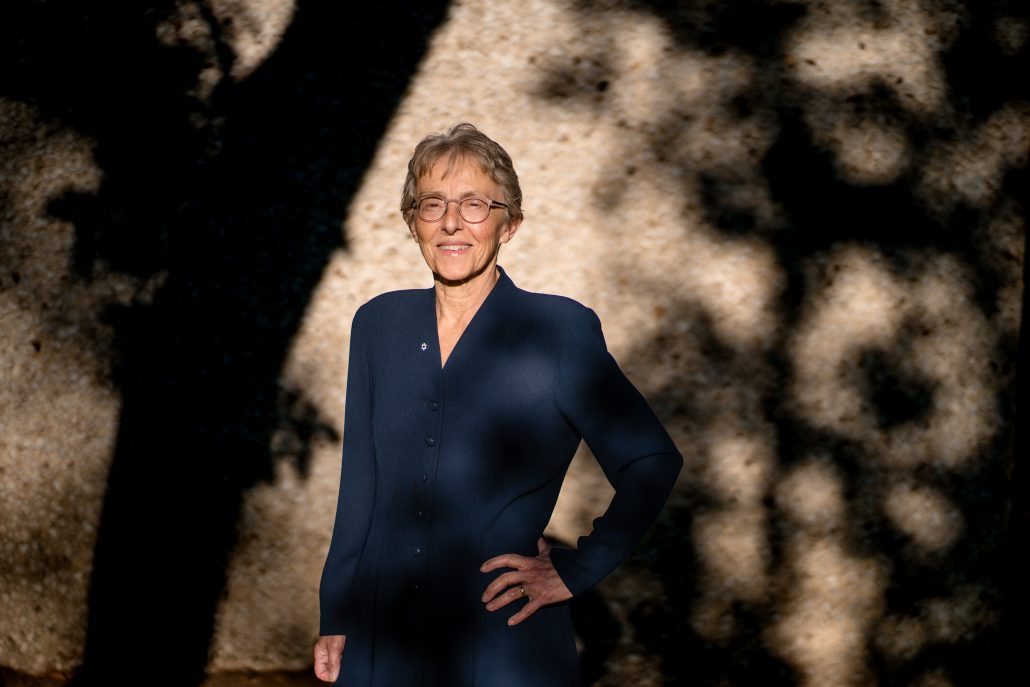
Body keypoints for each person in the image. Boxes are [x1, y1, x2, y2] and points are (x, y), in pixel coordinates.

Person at [314, 123, 682, 686]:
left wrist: (576, 569)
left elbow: (651, 461)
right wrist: (336, 613)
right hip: (381, 636)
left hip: (502, 643)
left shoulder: (558, 331)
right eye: (432, 204)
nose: (452, 222)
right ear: (413, 222)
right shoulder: (378, 325)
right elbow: (359, 483)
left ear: (509, 224)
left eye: (475, 204)